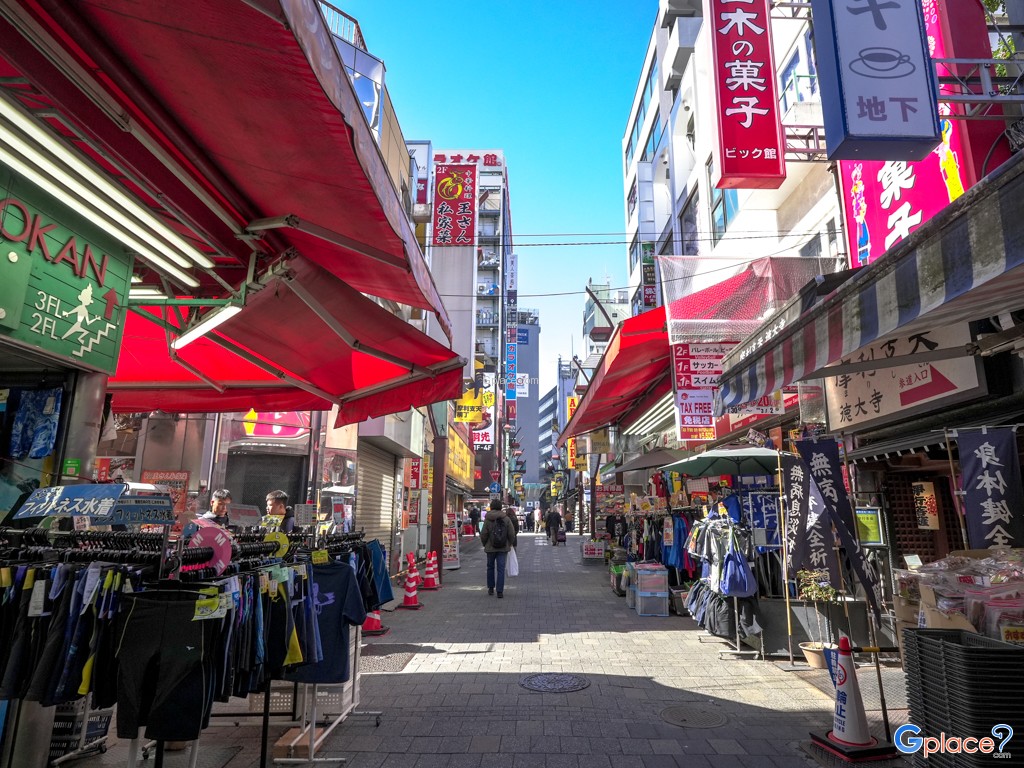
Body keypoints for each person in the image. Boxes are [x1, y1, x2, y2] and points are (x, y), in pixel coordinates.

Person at [480, 498, 516, 597]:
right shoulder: (506, 518)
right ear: (500, 507)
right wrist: (509, 543)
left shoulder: (488, 519)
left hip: (490, 548)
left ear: (491, 507)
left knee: (490, 567)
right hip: (503, 547)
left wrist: (485, 544)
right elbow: (511, 533)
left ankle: (491, 588)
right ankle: (499, 591)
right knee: (501, 569)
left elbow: (484, 534)